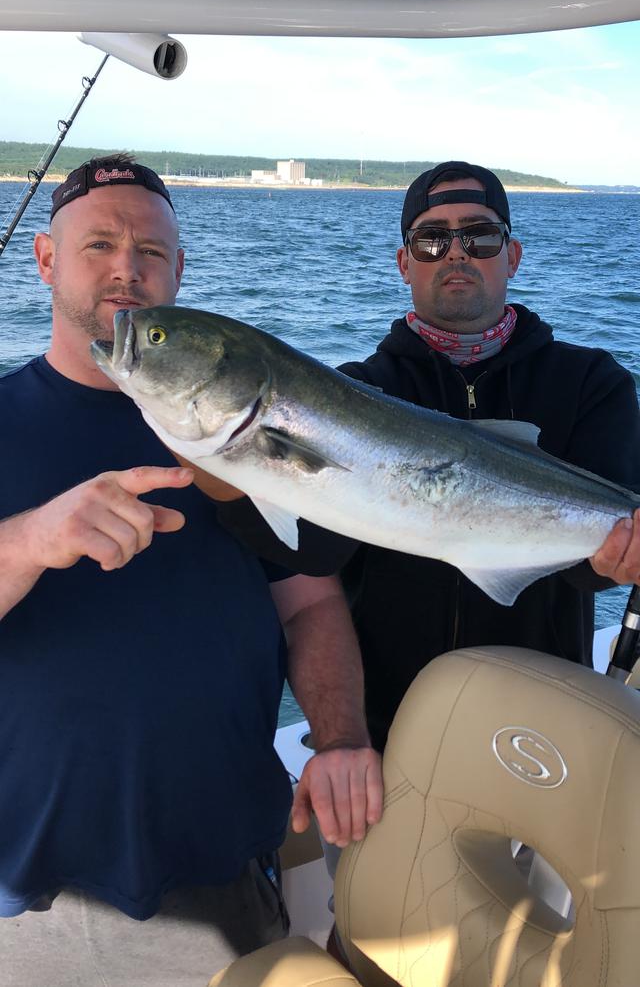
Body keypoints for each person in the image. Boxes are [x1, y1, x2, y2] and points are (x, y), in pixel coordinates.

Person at [0, 154, 382, 986]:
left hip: (225, 871)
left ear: (181, 271)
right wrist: (27, 540)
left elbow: (311, 601)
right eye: (98, 244)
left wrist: (342, 738)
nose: (125, 269)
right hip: (26, 889)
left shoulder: (242, 427)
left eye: (151, 252)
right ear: (44, 259)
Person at [213, 160, 640, 755]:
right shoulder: (350, 391)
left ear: (512, 256)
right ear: (404, 262)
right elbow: (319, 549)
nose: (456, 253)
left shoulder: (592, 382)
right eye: (432, 239)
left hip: (545, 722)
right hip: (393, 726)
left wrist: (619, 559)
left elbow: (586, 564)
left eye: (479, 236)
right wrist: (226, 466)